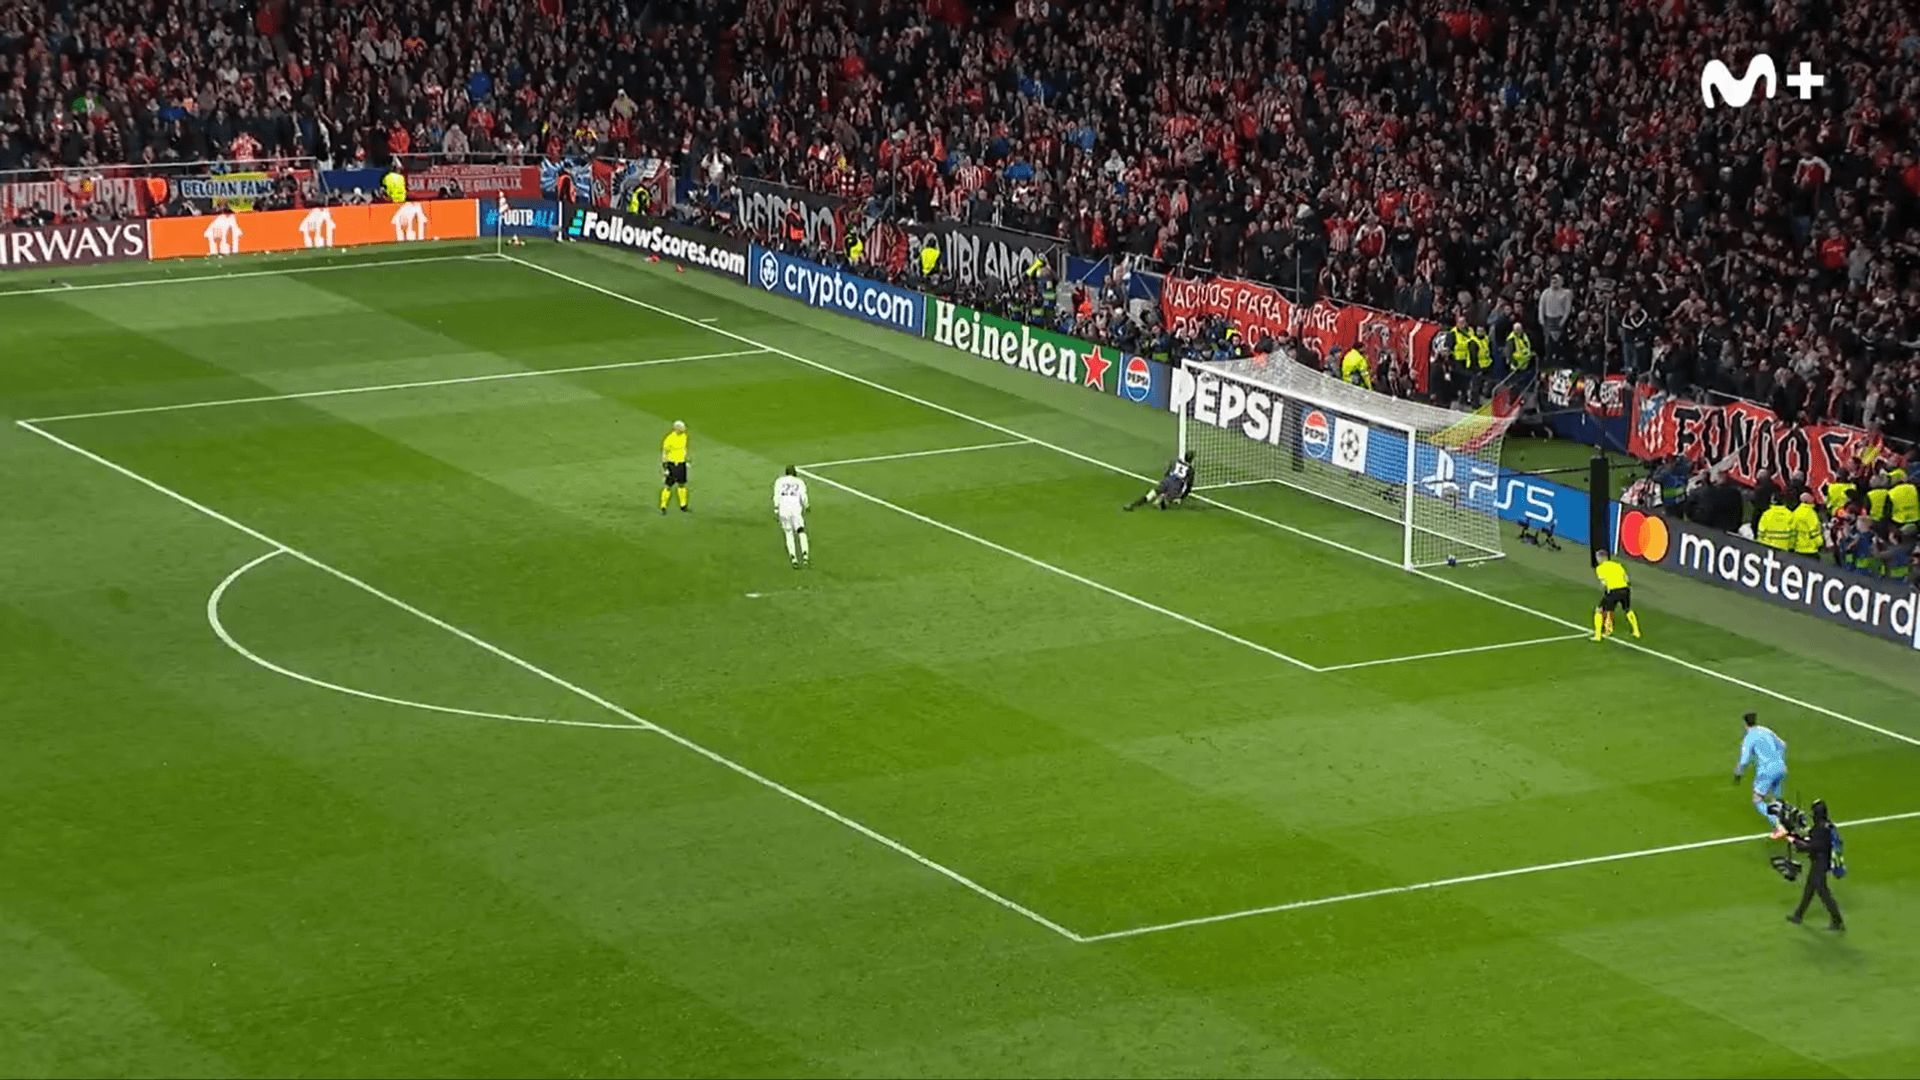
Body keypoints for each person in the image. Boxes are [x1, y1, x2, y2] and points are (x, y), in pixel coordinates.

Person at [1785, 799, 1845, 931]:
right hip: (1821, 861)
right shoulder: (1826, 825)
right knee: (1809, 889)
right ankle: (1798, 915)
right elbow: (1811, 838)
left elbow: (1812, 846)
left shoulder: (1821, 829)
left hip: (1820, 864)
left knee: (1823, 892)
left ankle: (1837, 921)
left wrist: (1795, 841)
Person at [1733, 712, 1789, 837]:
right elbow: (1783, 745)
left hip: (1767, 770)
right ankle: (1787, 821)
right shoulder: (1765, 730)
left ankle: (1779, 826)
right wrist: (1779, 760)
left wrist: (1738, 772)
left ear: (1745, 724)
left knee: (1757, 799)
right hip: (1780, 767)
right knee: (1775, 798)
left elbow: (1744, 760)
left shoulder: (1749, 738)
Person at [1592, 548, 1641, 641]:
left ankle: (1599, 635)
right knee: (1627, 610)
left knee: (1600, 610)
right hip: (1625, 590)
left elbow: (1604, 583)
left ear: (1600, 558)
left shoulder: (1600, 568)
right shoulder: (1617, 565)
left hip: (1613, 591)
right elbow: (1627, 579)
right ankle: (1636, 631)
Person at [1124, 451, 1196, 511]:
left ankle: (1133, 505)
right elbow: (1188, 486)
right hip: (1176, 485)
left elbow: (1168, 471)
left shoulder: (1176, 461)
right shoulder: (1190, 470)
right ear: (1192, 459)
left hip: (1168, 480)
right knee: (1167, 503)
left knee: (1152, 493)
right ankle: (1162, 499)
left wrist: (1164, 480)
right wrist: (1181, 498)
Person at [772, 465, 810, 568]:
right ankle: (805, 555)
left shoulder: (779, 481)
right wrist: (806, 505)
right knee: (801, 531)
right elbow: (803, 495)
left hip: (783, 510)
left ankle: (793, 558)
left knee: (788, 533)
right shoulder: (799, 482)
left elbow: (776, 496)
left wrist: (776, 509)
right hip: (795, 509)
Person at [659, 419, 690, 514]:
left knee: (682, 484)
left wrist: (686, 460)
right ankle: (663, 506)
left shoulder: (684, 436)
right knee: (668, 486)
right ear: (677, 428)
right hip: (672, 464)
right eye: (682, 428)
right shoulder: (669, 439)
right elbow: (664, 453)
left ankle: (683, 505)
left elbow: (684, 448)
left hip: (681, 464)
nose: (684, 429)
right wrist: (665, 468)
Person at [1791, 493, 1824, 559]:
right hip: (1810, 548)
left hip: (1798, 548)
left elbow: (1792, 529)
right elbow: (1814, 530)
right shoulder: (1810, 513)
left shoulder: (1796, 512)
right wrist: (1820, 543)